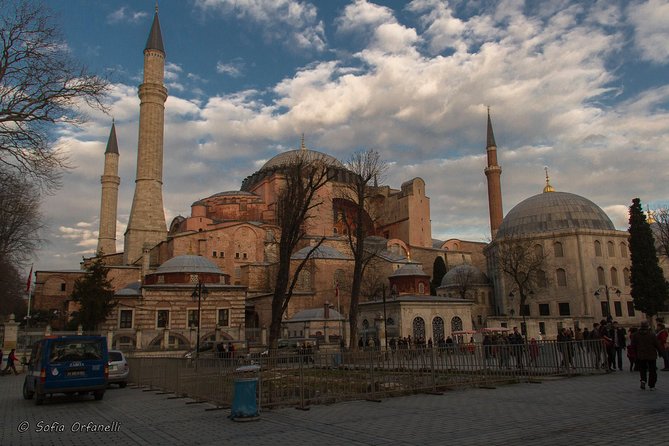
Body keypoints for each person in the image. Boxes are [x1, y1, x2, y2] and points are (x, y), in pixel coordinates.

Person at [631, 321, 663, 390]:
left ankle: (643, 380)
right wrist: (661, 352)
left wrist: (635, 354)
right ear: (647, 326)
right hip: (651, 355)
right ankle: (652, 385)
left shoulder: (635, 335)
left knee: (642, 369)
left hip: (641, 355)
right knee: (652, 371)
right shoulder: (652, 334)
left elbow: (633, 346)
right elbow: (657, 344)